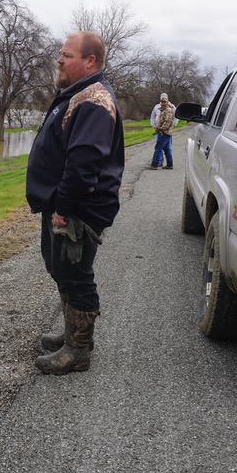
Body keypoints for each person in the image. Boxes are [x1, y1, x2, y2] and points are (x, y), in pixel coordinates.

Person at [26, 31, 125, 375]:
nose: (59, 59)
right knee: (61, 269)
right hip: (60, 205)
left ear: (90, 61)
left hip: (78, 209)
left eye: (67, 55)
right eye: (61, 53)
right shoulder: (78, 95)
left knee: (76, 273)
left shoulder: (94, 101)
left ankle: (79, 350)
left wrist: (64, 210)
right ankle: (71, 334)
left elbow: (83, 166)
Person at [149, 93, 176, 169]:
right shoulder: (161, 108)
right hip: (163, 132)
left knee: (158, 148)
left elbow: (167, 123)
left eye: (164, 101)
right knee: (166, 149)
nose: (163, 103)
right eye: (162, 101)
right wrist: (155, 126)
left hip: (164, 133)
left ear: (167, 101)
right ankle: (170, 165)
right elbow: (156, 118)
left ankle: (154, 165)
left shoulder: (169, 110)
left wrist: (159, 129)